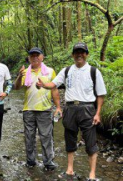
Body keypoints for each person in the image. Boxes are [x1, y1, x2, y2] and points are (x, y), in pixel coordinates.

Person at [37, 42, 107, 180]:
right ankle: (69, 170)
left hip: (88, 109)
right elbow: (54, 84)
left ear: (86, 54)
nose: (79, 54)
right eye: (76, 52)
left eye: (82, 52)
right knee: (69, 139)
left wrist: (98, 113)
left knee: (90, 142)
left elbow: (100, 94)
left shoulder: (94, 71)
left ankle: (92, 175)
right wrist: (44, 85)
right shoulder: (67, 70)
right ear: (73, 55)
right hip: (70, 108)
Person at [13, 47, 61, 170]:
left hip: (45, 109)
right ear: (29, 58)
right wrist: (19, 76)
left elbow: (54, 89)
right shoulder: (25, 72)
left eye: (37, 55)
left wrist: (58, 107)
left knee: (46, 137)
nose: (35, 57)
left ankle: (48, 162)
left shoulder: (50, 71)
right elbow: (17, 87)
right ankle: (30, 161)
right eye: (32, 56)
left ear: (42, 57)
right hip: (28, 109)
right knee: (29, 137)